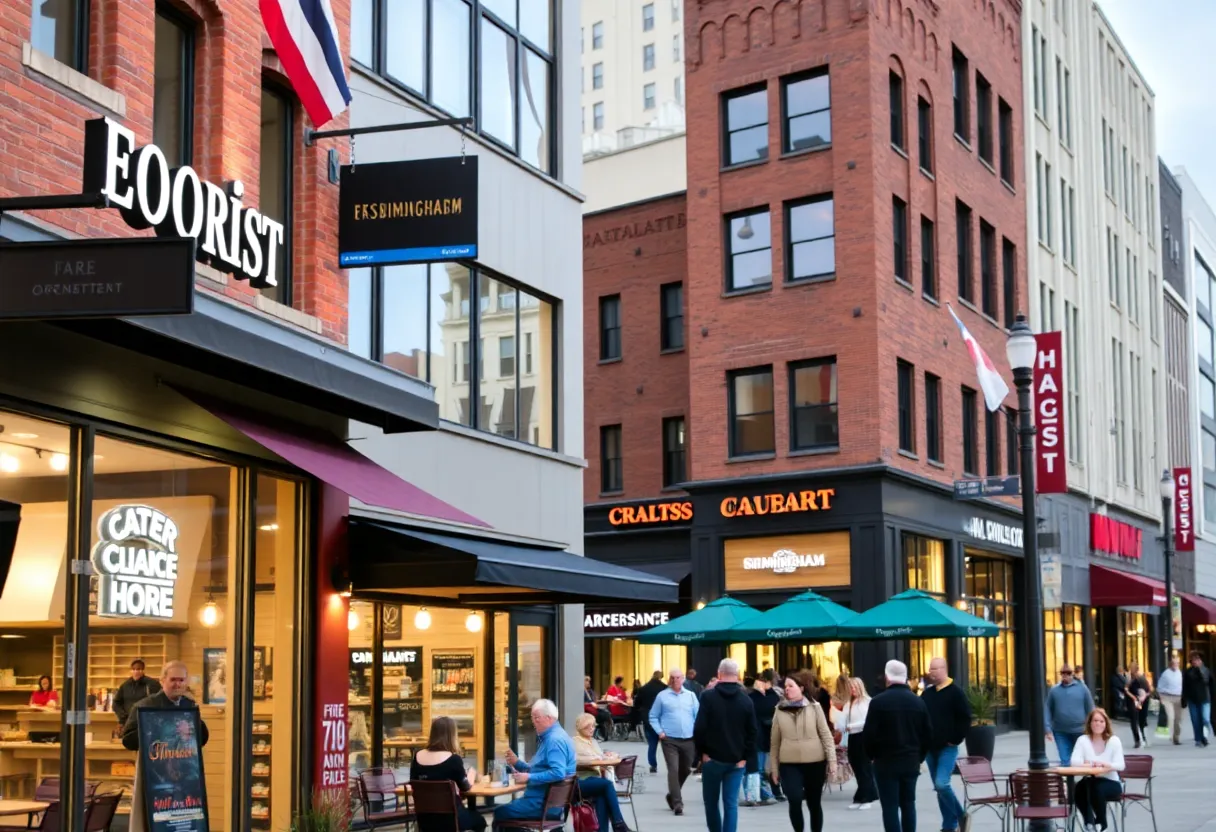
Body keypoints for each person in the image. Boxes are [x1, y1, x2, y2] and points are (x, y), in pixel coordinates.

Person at [122, 660, 210, 832]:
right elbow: (128, 740)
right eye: (173, 680)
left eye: (182, 680)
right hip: (155, 776)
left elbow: (202, 739)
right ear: (162, 681)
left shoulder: (189, 705)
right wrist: (152, 728)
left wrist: (194, 718)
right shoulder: (145, 706)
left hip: (185, 779)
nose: (178, 684)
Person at [862, 660, 931, 832]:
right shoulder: (918, 702)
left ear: (887, 677)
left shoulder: (878, 702)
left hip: (885, 762)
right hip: (910, 760)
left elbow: (869, 734)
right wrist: (919, 756)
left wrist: (872, 756)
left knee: (890, 806)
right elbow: (928, 734)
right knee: (908, 803)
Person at [693, 658, 756, 832]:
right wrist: (745, 757)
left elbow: (699, 728)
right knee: (731, 804)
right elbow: (752, 732)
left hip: (712, 759)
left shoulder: (707, 697)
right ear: (737, 676)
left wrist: (702, 753)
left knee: (711, 803)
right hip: (737, 760)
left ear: (719, 674)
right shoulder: (746, 701)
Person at [769, 669, 836, 832]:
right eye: (785, 686)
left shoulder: (815, 707)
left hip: (815, 762)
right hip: (789, 763)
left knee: (814, 803)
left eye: (791, 686)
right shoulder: (779, 709)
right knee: (794, 799)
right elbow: (775, 742)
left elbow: (826, 735)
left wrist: (832, 761)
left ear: (801, 688)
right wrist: (774, 768)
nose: (787, 689)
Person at [495, 699, 576, 828]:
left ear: (549, 718)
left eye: (536, 717)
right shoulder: (555, 736)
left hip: (541, 804)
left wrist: (529, 777)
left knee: (500, 812)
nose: (533, 722)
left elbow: (558, 772)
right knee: (507, 809)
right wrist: (517, 763)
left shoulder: (554, 740)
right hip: (546, 803)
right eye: (533, 717)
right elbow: (540, 769)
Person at [920, 658, 971, 832]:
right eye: (930, 669)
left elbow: (965, 718)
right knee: (938, 788)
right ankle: (948, 825)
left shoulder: (956, 692)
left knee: (942, 783)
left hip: (947, 748)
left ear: (944, 669)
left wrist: (955, 739)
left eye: (934, 669)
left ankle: (961, 815)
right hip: (930, 748)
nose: (931, 672)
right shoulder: (927, 694)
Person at [410, 716, 485, 832]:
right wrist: (471, 774)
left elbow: (414, 782)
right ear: (452, 735)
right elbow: (465, 787)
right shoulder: (454, 759)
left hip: (424, 819)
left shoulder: (417, 756)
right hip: (451, 819)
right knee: (479, 820)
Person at [648, 667, 699, 815]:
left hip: (689, 738)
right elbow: (653, 716)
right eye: (672, 677)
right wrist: (660, 732)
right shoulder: (662, 696)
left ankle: (672, 795)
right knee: (673, 769)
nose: (675, 680)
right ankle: (678, 803)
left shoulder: (690, 696)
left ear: (683, 679)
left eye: (678, 677)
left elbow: (698, 715)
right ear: (669, 679)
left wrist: (696, 731)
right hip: (669, 739)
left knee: (685, 769)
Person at [572, 713, 634, 832]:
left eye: (593, 726)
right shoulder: (575, 742)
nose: (592, 729)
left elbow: (599, 756)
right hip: (581, 780)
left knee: (601, 795)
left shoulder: (593, 741)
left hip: (595, 779)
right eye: (588, 727)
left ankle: (604, 829)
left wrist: (607, 755)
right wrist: (597, 758)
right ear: (581, 727)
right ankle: (618, 823)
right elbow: (577, 760)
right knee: (606, 785)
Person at [1069, 708, 1125, 832]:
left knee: (1096, 788)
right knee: (1079, 788)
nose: (1098, 724)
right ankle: (1090, 823)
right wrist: (1094, 764)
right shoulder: (1083, 740)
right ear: (1090, 723)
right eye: (1095, 721)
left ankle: (1101, 823)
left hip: (1111, 783)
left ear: (1106, 724)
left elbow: (1120, 765)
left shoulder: (1113, 741)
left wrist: (1106, 765)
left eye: (1101, 721)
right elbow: (1074, 762)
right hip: (1090, 780)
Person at [1045, 663, 1094, 765]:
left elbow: (1091, 709)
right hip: (1060, 731)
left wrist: (1092, 728)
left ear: (1073, 674)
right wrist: (1047, 729)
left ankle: (1082, 780)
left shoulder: (1082, 689)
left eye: (1068, 673)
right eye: (1063, 673)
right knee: (1065, 760)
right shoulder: (1054, 690)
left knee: (1081, 760)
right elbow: (1048, 709)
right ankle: (1069, 780)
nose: (1065, 675)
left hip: (1080, 731)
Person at [841, 677, 876, 810]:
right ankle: (862, 795)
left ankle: (867, 797)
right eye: (850, 687)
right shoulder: (848, 703)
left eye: (855, 687)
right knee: (856, 766)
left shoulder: (867, 702)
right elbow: (843, 717)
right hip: (852, 737)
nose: (852, 689)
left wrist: (851, 725)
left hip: (863, 736)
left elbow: (867, 721)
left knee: (864, 767)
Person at [748, 670, 779, 805]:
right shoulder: (753, 697)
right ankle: (762, 794)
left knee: (765, 768)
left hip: (768, 737)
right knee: (760, 768)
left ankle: (764, 793)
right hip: (760, 737)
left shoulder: (773, 696)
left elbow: (770, 708)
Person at [633, 670, 667, 772]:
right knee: (667, 744)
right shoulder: (664, 688)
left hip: (647, 718)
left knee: (652, 743)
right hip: (662, 719)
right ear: (661, 677)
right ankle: (671, 763)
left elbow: (636, 703)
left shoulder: (644, 688)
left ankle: (653, 764)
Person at [113, 659, 163, 727]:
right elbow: (116, 703)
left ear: (143, 670)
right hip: (129, 722)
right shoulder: (125, 685)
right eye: (134, 669)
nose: (136, 672)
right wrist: (123, 717)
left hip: (147, 722)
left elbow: (160, 701)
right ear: (131, 670)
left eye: (139, 669)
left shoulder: (152, 684)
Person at [1182, 651, 1212, 746]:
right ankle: (1198, 739)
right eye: (1193, 660)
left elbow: (1207, 681)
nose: (1195, 661)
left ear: (1201, 661)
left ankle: (1205, 736)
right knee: (1196, 720)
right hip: (1192, 699)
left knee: (1205, 719)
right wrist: (1184, 698)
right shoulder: (1188, 672)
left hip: (1205, 698)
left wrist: (1199, 670)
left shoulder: (1206, 670)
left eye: (1197, 659)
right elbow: (1185, 686)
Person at [1157, 655, 1184, 746]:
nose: (1176, 664)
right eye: (1174, 663)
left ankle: (1176, 737)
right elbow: (1159, 687)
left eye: (1177, 663)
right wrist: (1161, 698)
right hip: (1167, 697)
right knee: (1170, 717)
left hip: (1178, 697)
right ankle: (1170, 735)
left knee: (1178, 719)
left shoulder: (1180, 673)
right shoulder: (1166, 674)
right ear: (1170, 664)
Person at [1125, 662, 1151, 748]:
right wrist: (1138, 697)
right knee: (1136, 720)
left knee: (1138, 720)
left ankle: (1140, 738)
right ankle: (1139, 739)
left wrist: (1142, 697)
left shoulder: (1139, 678)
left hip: (1139, 701)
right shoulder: (1130, 679)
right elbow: (1126, 690)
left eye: (1132, 669)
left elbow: (1149, 690)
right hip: (1136, 701)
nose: (1132, 671)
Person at [583, 676, 613, 740]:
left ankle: (605, 733)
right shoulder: (582, 691)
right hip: (588, 711)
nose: (588, 682)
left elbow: (594, 700)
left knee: (606, 713)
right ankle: (604, 733)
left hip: (593, 709)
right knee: (604, 715)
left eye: (589, 681)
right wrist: (591, 703)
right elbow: (583, 703)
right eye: (586, 680)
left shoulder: (590, 691)